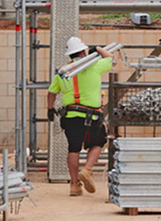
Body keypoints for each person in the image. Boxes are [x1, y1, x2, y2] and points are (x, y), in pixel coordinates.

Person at [46, 37, 113, 195]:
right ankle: (87, 170)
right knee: (98, 141)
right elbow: (112, 60)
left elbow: (51, 93)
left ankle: (74, 185)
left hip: (70, 116)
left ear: (70, 55)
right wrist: (97, 48)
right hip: (92, 115)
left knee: (74, 149)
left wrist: (50, 109)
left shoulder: (62, 72)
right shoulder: (94, 65)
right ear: (84, 51)